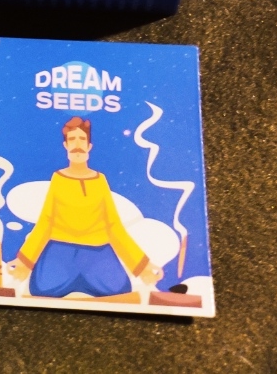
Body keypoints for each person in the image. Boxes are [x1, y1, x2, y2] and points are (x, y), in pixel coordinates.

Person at [8, 117, 163, 299]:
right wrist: (24, 261)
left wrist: (142, 266)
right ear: (66, 145)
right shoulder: (58, 179)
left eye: (82, 139)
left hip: (97, 253)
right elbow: (46, 222)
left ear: (89, 146)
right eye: (72, 139)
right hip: (60, 251)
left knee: (120, 290)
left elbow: (113, 226)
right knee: (42, 289)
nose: (77, 145)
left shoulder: (100, 180)